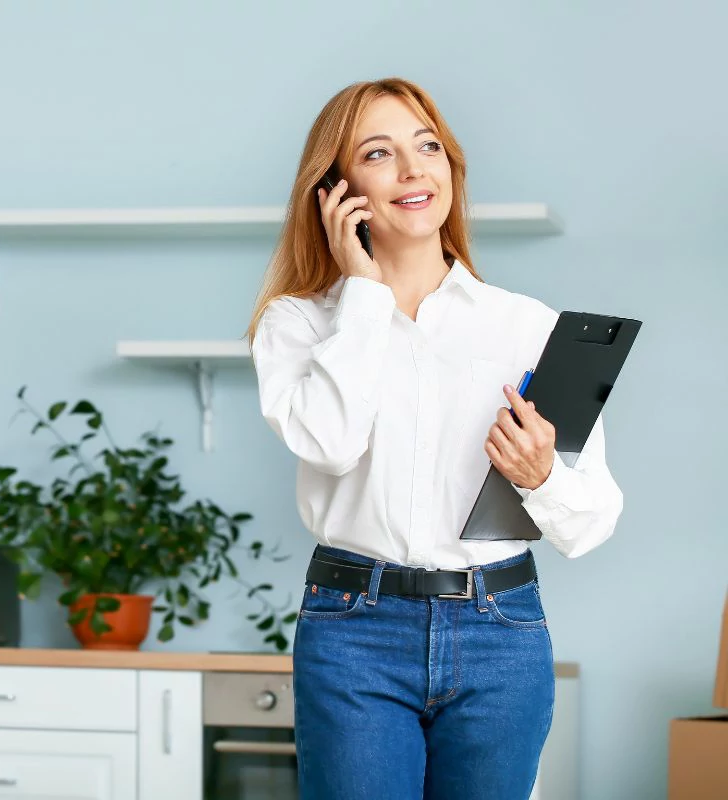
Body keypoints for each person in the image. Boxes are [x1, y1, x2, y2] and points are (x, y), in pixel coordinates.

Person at [246, 77, 624, 800]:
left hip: (500, 630)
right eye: (380, 153)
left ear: (451, 167)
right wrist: (363, 294)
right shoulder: (296, 323)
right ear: (336, 190)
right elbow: (328, 443)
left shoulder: (528, 327)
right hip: (355, 630)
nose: (415, 169)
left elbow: (593, 521)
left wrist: (542, 475)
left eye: (428, 147)